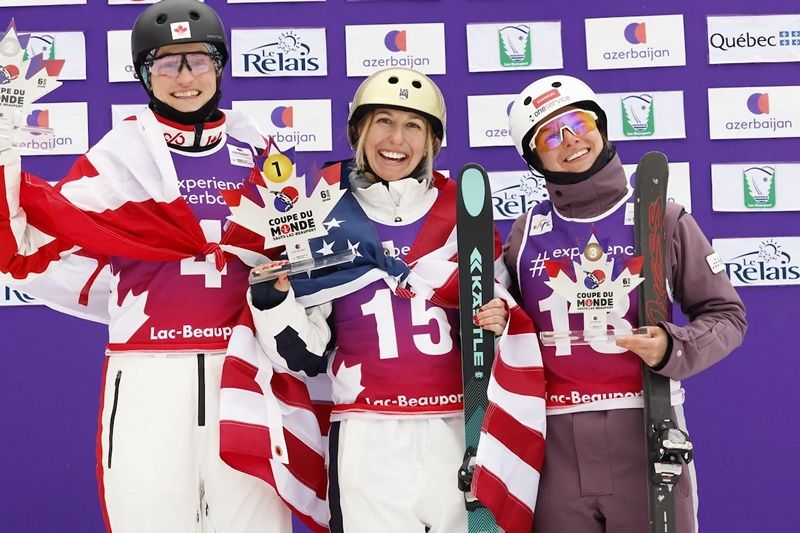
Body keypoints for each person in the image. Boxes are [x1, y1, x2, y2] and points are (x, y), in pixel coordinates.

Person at [0, 1, 291, 531]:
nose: (185, 77)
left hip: (245, 370)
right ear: (144, 74)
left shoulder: (260, 152)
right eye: (167, 63)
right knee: (149, 518)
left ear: (219, 67)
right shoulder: (121, 153)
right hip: (150, 372)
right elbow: (39, 242)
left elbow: (298, 251)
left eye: (198, 60)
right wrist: (5, 156)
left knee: (253, 521)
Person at [247, 67, 512, 533]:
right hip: (368, 433)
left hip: (461, 425)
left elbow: (502, 319)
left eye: (413, 126)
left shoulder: (463, 212)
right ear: (359, 132)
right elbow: (304, 357)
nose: (396, 139)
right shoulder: (324, 216)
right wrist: (273, 301)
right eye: (383, 122)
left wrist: (504, 318)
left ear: (432, 142)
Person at [504, 74, 747, 532]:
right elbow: (504, 321)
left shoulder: (661, 216)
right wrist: (499, 317)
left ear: (600, 126)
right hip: (553, 441)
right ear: (534, 157)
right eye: (549, 136)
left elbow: (727, 315)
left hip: (645, 427)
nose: (570, 139)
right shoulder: (525, 233)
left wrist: (673, 346)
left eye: (579, 123)